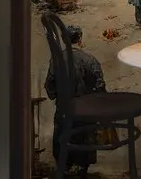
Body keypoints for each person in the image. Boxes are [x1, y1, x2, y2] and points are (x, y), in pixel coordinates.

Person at [44, 25, 106, 177]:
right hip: (85, 110)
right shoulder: (89, 60)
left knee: (63, 139)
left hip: (64, 109)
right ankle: (82, 170)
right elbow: (99, 85)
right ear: (79, 39)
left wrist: (57, 96)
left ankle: (65, 169)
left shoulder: (56, 60)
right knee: (85, 139)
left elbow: (49, 84)